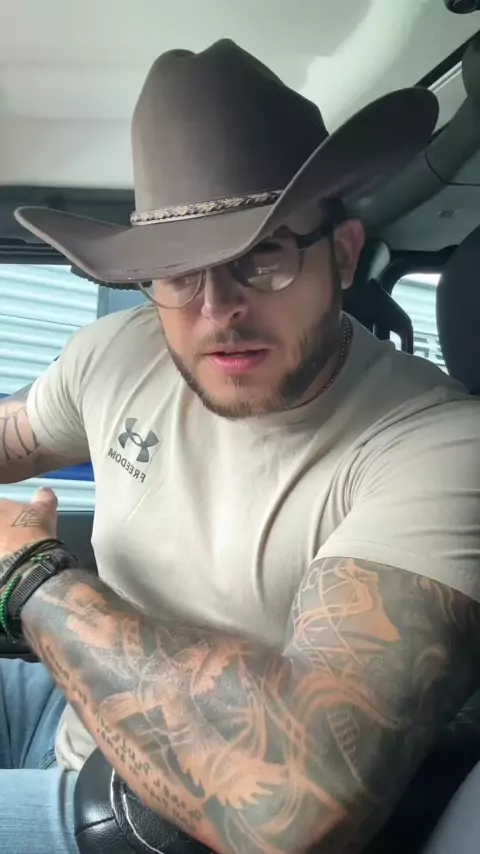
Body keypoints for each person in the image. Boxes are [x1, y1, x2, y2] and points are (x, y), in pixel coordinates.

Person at [0, 38, 479, 854]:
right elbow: (16, 435)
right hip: (59, 703)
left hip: (141, 812)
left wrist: (30, 579)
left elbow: (297, 800)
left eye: (263, 255)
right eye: (178, 270)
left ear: (342, 254)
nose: (217, 309)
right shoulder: (118, 354)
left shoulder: (440, 450)